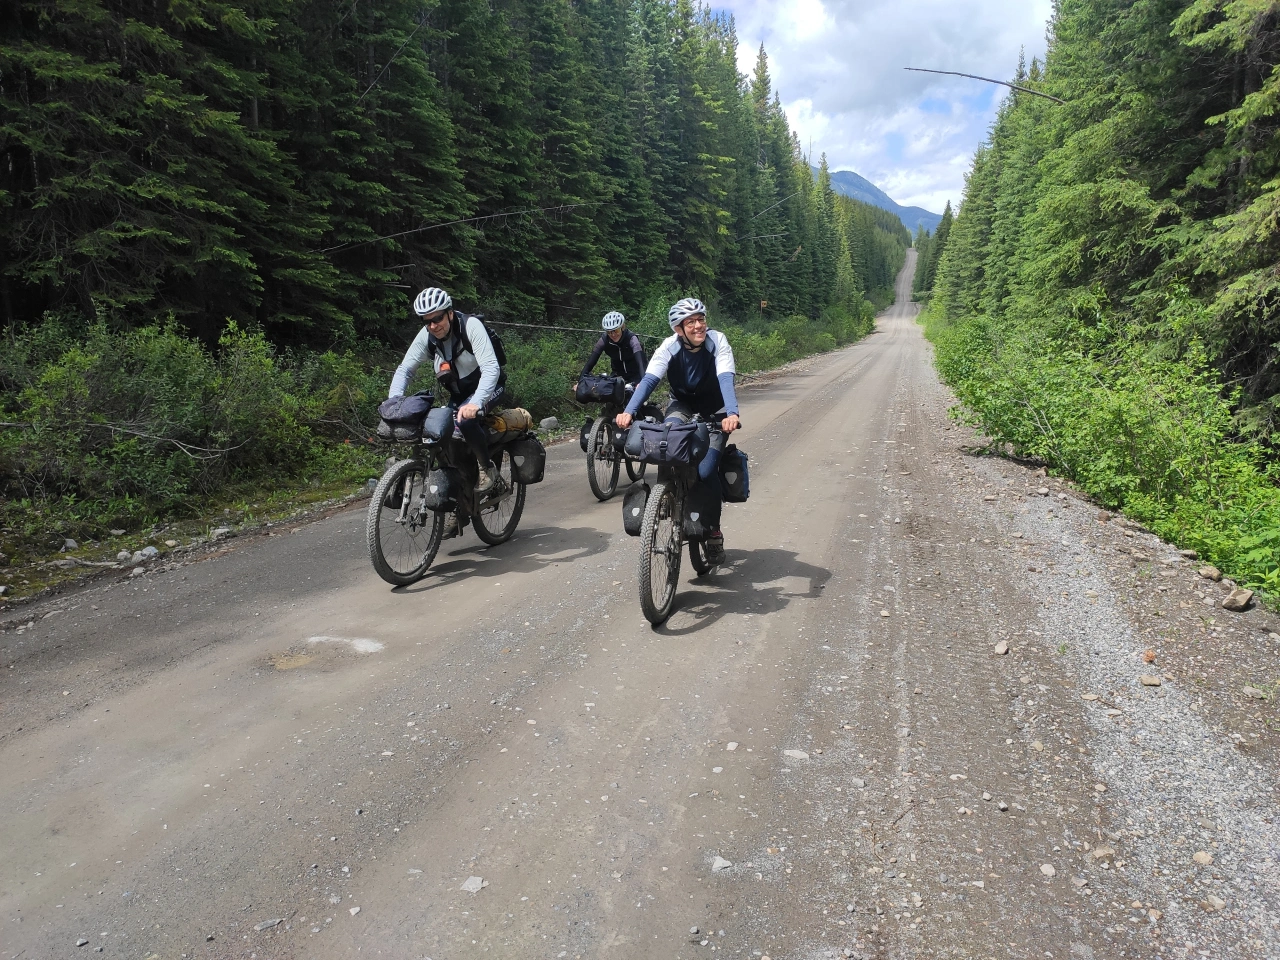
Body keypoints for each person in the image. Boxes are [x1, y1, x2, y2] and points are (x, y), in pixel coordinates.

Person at [615, 297, 740, 563]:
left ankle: (713, 532)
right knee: (666, 444)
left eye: (701, 319)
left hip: (715, 411)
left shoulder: (717, 341)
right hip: (681, 405)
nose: (698, 326)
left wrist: (731, 413)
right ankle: (666, 498)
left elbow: (725, 377)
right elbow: (649, 381)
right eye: (690, 322)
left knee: (706, 471)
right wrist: (629, 411)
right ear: (678, 329)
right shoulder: (669, 347)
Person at [389, 286, 504, 493]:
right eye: (426, 321)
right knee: (441, 433)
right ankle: (459, 498)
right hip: (459, 394)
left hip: (489, 386)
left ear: (450, 313)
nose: (433, 326)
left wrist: (476, 403)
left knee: (465, 420)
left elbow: (491, 368)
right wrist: (393, 403)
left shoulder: (471, 326)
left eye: (438, 319)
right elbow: (405, 370)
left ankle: (487, 468)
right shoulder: (427, 336)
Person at [578, 311, 647, 388]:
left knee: (636, 396)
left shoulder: (632, 339)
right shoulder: (604, 340)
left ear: (622, 327)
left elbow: (641, 363)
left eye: (616, 330)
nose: (613, 335)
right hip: (618, 376)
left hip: (636, 374)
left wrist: (643, 383)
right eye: (609, 332)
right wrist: (580, 382)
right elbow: (590, 363)